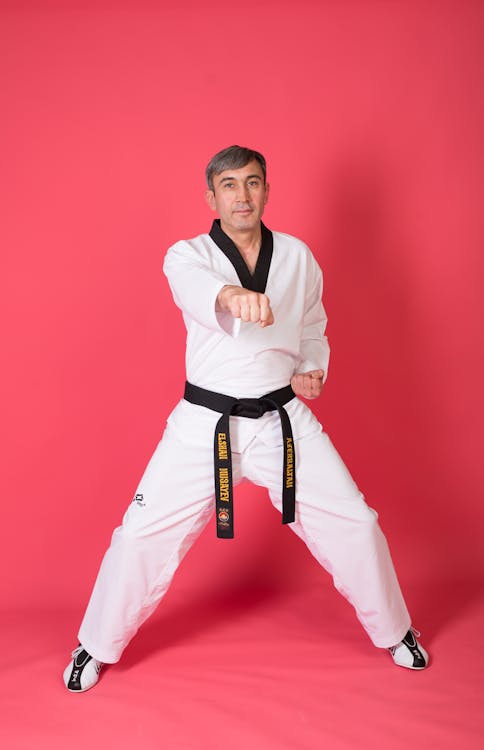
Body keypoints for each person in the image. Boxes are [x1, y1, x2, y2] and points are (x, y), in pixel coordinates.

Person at [63, 145, 429, 692]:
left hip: (280, 416)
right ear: (212, 196)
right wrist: (231, 295)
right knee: (140, 534)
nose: (242, 195)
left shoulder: (299, 257)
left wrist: (312, 369)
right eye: (229, 185)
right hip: (203, 422)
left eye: (253, 183)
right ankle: (92, 645)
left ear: (266, 190)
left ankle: (397, 630)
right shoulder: (187, 256)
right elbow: (197, 293)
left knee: (357, 521)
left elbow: (313, 326)